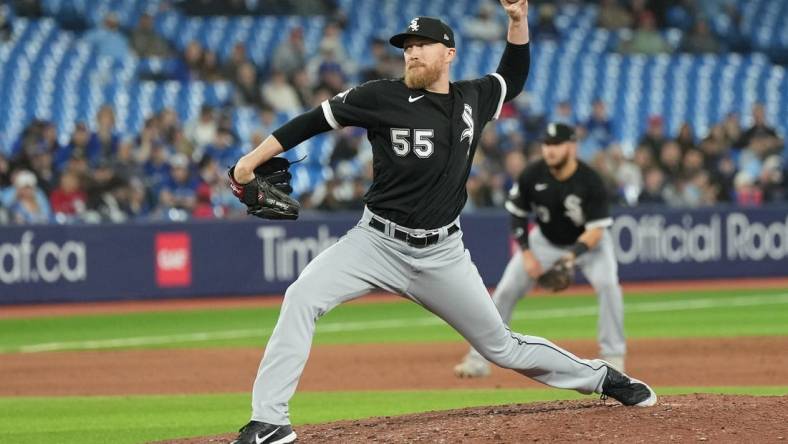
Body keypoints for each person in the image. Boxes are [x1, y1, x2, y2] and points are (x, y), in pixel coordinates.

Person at [228, 3, 656, 443]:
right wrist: (248, 162)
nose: (411, 53)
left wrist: (516, 21)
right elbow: (310, 122)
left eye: (421, 46)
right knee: (301, 296)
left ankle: (602, 378)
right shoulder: (380, 96)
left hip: (442, 254)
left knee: (501, 347)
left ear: (448, 53)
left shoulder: (474, 97)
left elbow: (515, 76)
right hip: (374, 243)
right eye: (406, 47)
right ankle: (270, 421)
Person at [453, 122, 628, 378]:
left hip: (589, 245)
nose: (550, 150)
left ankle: (613, 356)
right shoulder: (532, 174)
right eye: (547, 144)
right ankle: (478, 358)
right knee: (505, 290)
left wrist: (571, 257)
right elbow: (517, 214)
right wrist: (526, 253)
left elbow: (597, 230)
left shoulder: (590, 181)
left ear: (572, 147)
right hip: (544, 241)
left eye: (556, 144)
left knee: (609, 285)